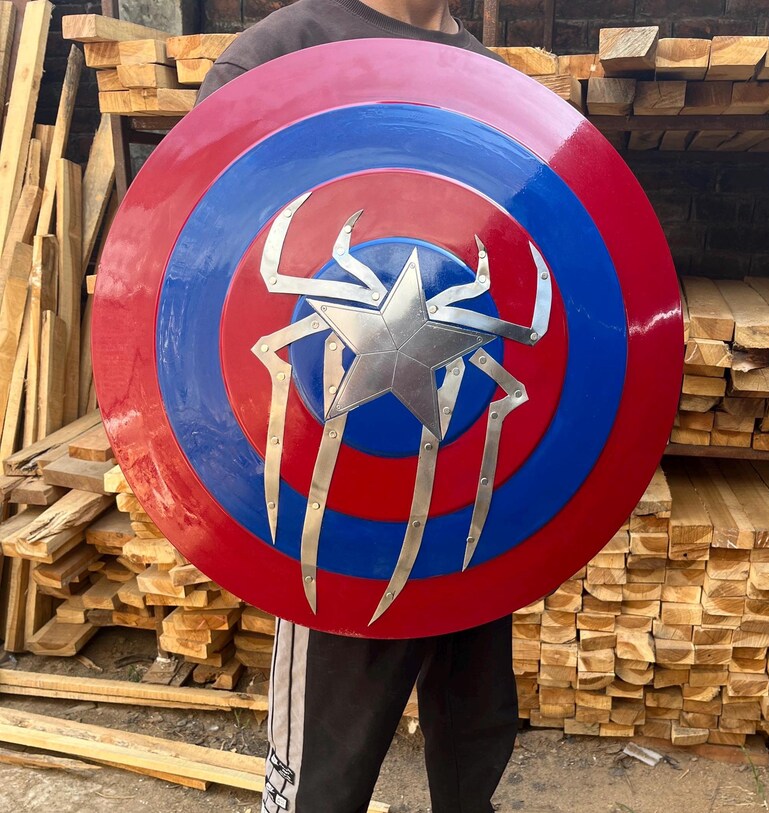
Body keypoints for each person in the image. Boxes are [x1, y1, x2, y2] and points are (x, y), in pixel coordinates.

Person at [198, 4, 518, 812]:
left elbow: (524, 272)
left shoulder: (495, 87)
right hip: (333, 506)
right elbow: (201, 269)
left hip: (471, 490)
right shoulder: (282, 55)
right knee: (322, 784)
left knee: (475, 747)